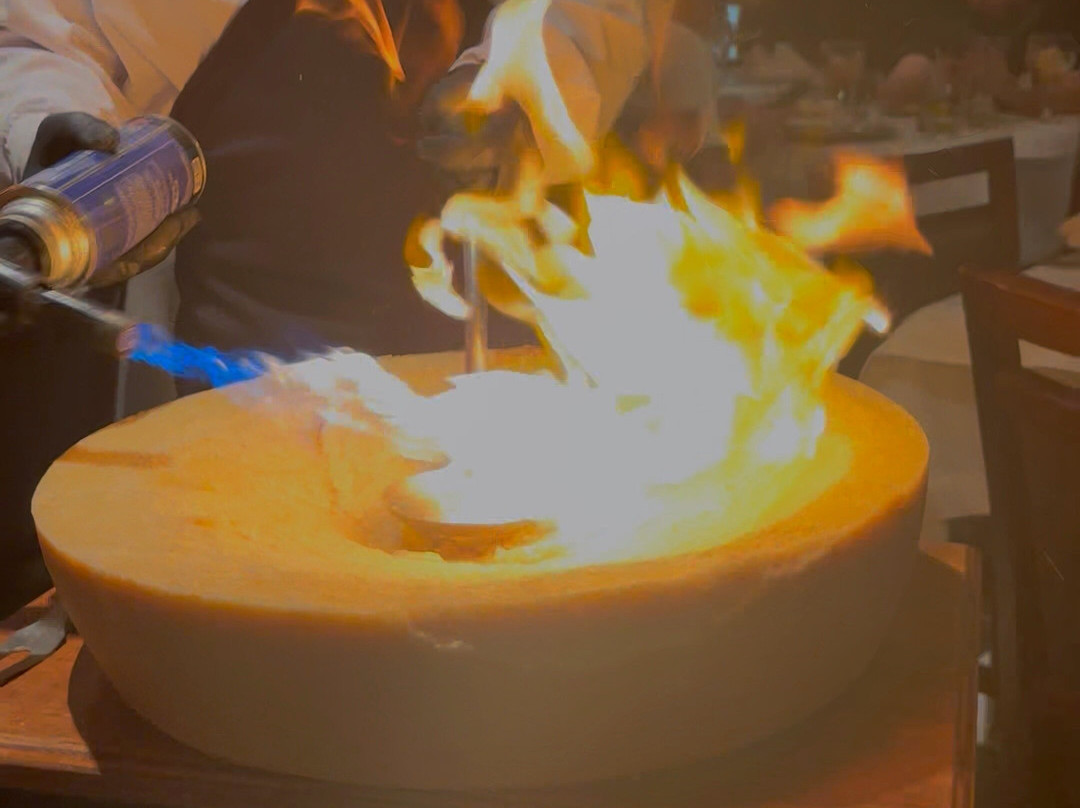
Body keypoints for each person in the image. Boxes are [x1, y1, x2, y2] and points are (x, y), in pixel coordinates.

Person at [0, 0, 715, 609]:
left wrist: (532, 79)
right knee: (278, 595)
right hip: (259, 339)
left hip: (520, 294)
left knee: (543, 599)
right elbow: (49, 30)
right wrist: (56, 129)